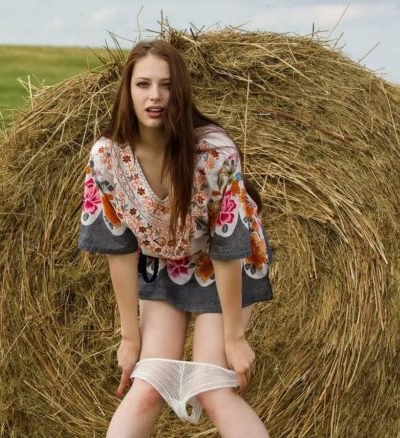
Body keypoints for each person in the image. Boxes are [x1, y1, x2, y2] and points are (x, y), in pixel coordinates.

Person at [77, 39, 273, 437]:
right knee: (148, 386)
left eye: (166, 85)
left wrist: (235, 338)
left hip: (225, 263)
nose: (155, 96)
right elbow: (119, 248)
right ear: (128, 90)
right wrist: (129, 338)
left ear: (180, 92)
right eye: (143, 84)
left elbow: (227, 248)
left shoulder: (214, 152)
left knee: (212, 387)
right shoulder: (106, 158)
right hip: (164, 264)